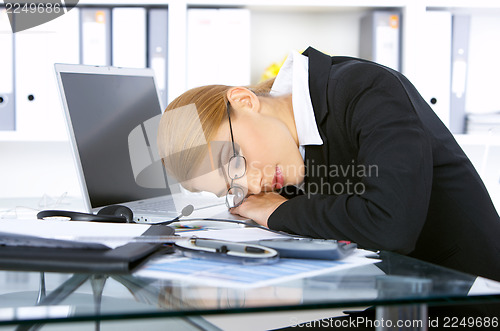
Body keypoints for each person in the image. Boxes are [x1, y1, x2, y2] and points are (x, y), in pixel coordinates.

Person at [157, 47, 500, 284]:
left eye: (234, 160)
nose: (253, 184)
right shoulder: (288, 148)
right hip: (384, 288)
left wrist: (277, 212)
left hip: (463, 294)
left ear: (244, 101)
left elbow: (390, 224)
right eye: (233, 189)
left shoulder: (365, 89)